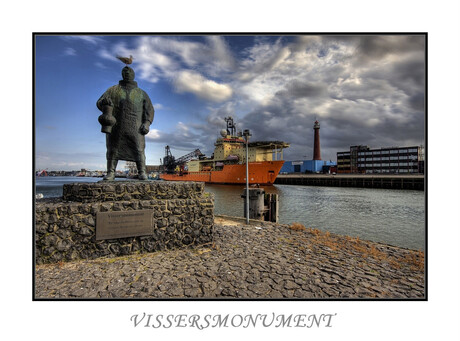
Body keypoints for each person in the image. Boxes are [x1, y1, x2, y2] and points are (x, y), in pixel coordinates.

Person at [97, 66, 154, 180]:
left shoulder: (141, 93)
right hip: (116, 128)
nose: (127, 73)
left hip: (136, 128)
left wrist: (147, 123)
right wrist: (104, 102)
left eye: (129, 71)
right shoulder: (112, 90)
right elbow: (99, 102)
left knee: (139, 150)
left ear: (133, 74)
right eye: (124, 72)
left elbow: (150, 110)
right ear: (122, 74)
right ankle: (111, 173)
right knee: (113, 149)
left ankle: (142, 172)